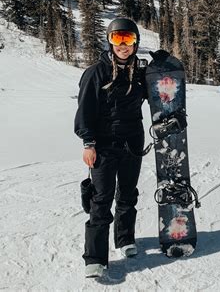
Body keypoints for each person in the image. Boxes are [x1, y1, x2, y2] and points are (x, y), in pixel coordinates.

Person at [74, 17, 147, 278]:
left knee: (128, 193)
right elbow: (85, 110)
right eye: (118, 39)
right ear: (110, 41)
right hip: (103, 145)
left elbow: (162, 93)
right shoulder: (96, 72)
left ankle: (125, 239)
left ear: (136, 42)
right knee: (101, 198)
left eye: (128, 39)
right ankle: (95, 257)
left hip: (133, 143)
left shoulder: (140, 73)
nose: (123, 45)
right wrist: (88, 143)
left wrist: (164, 66)